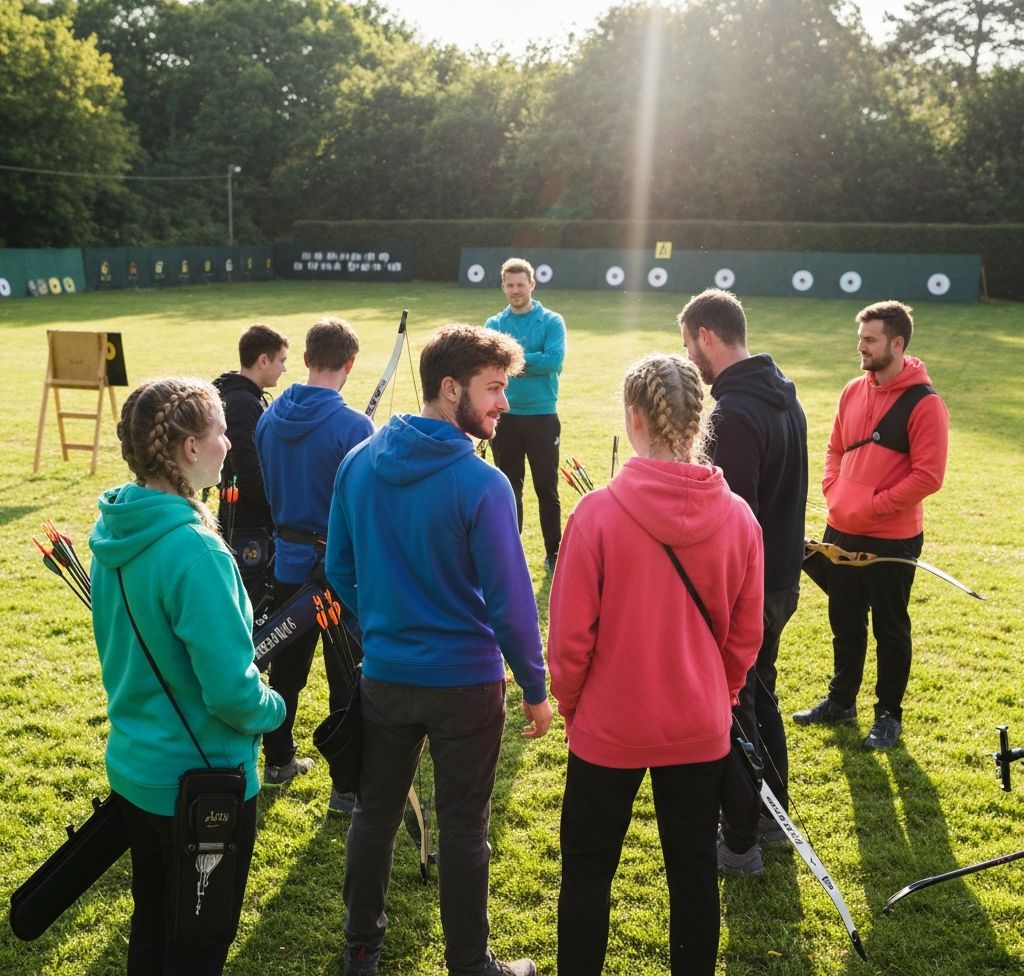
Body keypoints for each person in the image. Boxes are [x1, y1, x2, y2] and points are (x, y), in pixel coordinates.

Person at [326, 323, 552, 976]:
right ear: (449, 388)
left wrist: (384, 628)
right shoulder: (483, 486)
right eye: (493, 389)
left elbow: (340, 571)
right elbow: (512, 605)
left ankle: (360, 951)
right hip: (463, 687)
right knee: (460, 828)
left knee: (375, 814)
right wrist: (536, 690)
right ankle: (468, 965)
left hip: (389, 676)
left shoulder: (358, 462)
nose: (503, 404)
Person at [548, 354, 763, 976]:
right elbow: (746, 637)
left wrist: (572, 706)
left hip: (612, 727)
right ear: (699, 423)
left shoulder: (598, 515)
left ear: (635, 418)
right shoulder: (738, 518)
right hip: (696, 726)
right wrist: (715, 695)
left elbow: (568, 643)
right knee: (693, 871)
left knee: (588, 873)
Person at [88, 377, 285, 975]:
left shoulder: (115, 529)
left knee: (152, 926)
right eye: (222, 431)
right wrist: (272, 708)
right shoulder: (196, 552)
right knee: (197, 945)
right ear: (190, 450)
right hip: (200, 785)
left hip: (136, 770)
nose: (230, 443)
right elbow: (230, 693)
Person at [678, 289, 807, 876]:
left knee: (737, 706)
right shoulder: (782, 395)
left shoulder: (731, 411)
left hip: (750, 584)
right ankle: (771, 816)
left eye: (689, 345)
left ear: (707, 336)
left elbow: (734, 517)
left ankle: (741, 839)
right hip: (780, 578)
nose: (691, 360)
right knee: (759, 692)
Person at [794, 300, 948, 751]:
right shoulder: (851, 390)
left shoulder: (926, 404)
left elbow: (928, 475)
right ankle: (841, 701)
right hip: (841, 527)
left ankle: (888, 715)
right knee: (844, 618)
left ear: (897, 344)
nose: (860, 347)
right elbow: (834, 448)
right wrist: (835, 491)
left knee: (890, 628)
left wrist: (872, 506)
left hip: (891, 538)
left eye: (870, 340)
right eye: (860, 338)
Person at [255, 318, 374, 802]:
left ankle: (278, 760)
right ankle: (346, 787)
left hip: (288, 563)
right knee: (346, 675)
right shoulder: (354, 426)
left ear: (304, 359)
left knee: (287, 669)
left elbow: (267, 488)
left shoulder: (268, 418)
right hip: (337, 571)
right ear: (349, 365)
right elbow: (364, 507)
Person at [484, 257, 566, 571]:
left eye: (521, 284)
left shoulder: (551, 321)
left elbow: (554, 361)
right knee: (509, 488)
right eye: (510, 285)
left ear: (532, 285)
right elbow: (491, 364)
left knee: (547, 488)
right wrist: (533, 359)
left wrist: (512, 360)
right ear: (503, 286)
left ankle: (554, 552)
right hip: (504, 417)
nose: (516, 290)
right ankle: (511, 553)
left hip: (543, 415)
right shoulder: (494, 324)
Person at [212, 323, 289, 598]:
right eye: (281, 360)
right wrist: (281, 506)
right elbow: (248, 473)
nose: (284, 368)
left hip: (247, 522)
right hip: (247, 527)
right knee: (253, 602)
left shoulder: (245, 397)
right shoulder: (243, 403)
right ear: (263, 360)